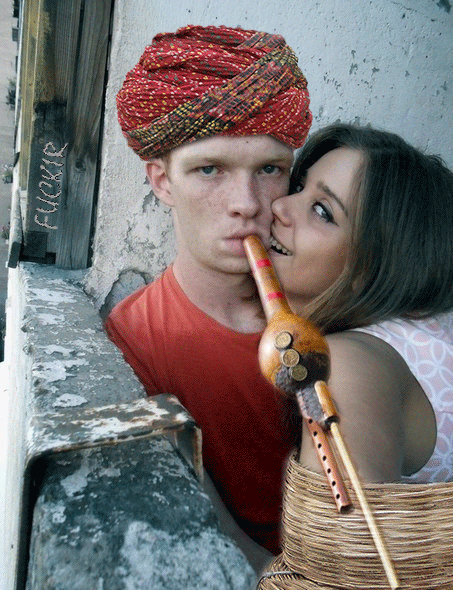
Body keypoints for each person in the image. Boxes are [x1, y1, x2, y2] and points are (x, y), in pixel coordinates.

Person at [105, 24, 312, 568]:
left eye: (270, 169)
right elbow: (208, 519)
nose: (247, 202)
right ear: (162, 182)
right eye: (209, 169)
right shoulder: (133, 339)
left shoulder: (324, 297)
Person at [258, 123, 453, 587]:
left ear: (375, 268)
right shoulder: (425, 327)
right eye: (299, 187)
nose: (280, 206)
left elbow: (349, 571)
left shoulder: (347, 364)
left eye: (322, 211)